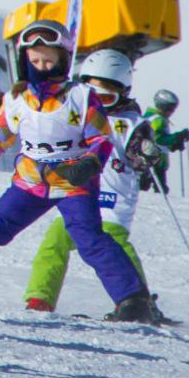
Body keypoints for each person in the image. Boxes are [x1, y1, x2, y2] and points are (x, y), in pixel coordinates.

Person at [0, 20, 155, 322]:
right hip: (30, 183)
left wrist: (89, 163)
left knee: (91, 240)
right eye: (35, 61)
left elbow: (101, 138)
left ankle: (133, 301)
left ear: (63, 60)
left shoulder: (82, 97)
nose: (42, 67)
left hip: (73, 183)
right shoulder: (17, 100)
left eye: (49, 60)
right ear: (24, 61)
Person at [24, 49, 156, 312]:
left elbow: (140, 159)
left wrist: (146, 153)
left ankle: (139, 301)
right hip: (77, 194)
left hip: (111, 199)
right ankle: (40, 298)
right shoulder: (75, 113)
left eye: (107, 97)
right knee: (54, 241)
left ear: (124, 92)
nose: (98, 104)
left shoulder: (132, 123)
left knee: (115, 246)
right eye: (92, 94)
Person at [139, 89, 189, 194]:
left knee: (147, 185)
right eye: (170, 108)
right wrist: (177, 137)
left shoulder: (151, 117)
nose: (171, 112)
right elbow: (158, 139)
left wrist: (173, 145)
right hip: (155, 161)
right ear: (162, 106)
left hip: (151, 159)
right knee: (159, 188)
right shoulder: (158, 119)